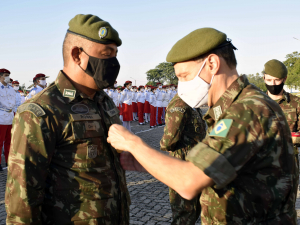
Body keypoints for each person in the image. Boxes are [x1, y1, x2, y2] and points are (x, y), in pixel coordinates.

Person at [107, 28, 297, 224]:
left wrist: (133, 143)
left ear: (212, 64)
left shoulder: (246, 110)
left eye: (184, 76)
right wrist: (149, 162)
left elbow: (189, 182)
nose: (181, 86)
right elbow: (214, 168)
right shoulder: (238, 106)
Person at [5, 14, 130, 224]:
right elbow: (23, 193)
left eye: (115, 54)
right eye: (106, 54)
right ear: (77, 55)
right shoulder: (42, 110)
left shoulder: (103, 101)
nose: (113, 62)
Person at [161, 92, 206, 224]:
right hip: (182, 164)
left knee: (193, 209)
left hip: (194, 163)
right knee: (184, 212)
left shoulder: (192, 103)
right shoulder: (179, 104)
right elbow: (168, 142)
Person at [263, 59, 300, 201]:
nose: (273, 84)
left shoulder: (296, 103)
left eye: (277, 80)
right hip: (260, 167)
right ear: (264, 78)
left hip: (288, 167)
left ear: (284, 79)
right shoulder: (255, 101)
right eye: (269, 80)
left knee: (286, 210)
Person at [0, 69, 16, 171]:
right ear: (0, 76)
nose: (8, 77)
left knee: (10, 141)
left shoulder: (11, 89)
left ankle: (8, 161)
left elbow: (13, 102)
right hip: (1, 117)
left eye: (8, 75)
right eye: (6, 75)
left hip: (10, 116)